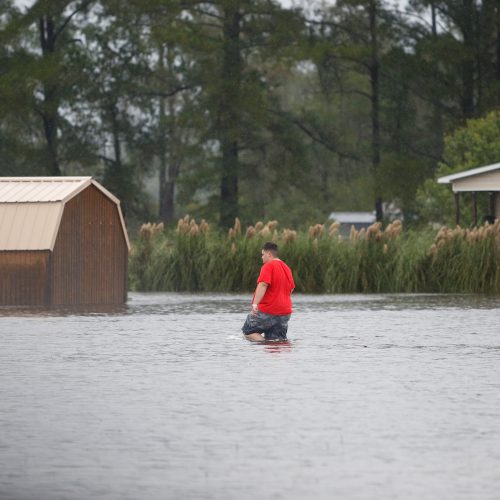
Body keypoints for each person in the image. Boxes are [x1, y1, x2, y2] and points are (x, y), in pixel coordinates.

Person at [242, 242, 295, 342]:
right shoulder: (287, 268)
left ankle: (263, 343)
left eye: (262, 254)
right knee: (276, 340)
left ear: (269, 254)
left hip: (268, 309)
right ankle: (273, 354)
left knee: (248, 332)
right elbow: (291, 288)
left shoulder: (268, 266)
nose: (262, 257)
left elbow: (263, 284)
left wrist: (255, 304)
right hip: (285, 312)